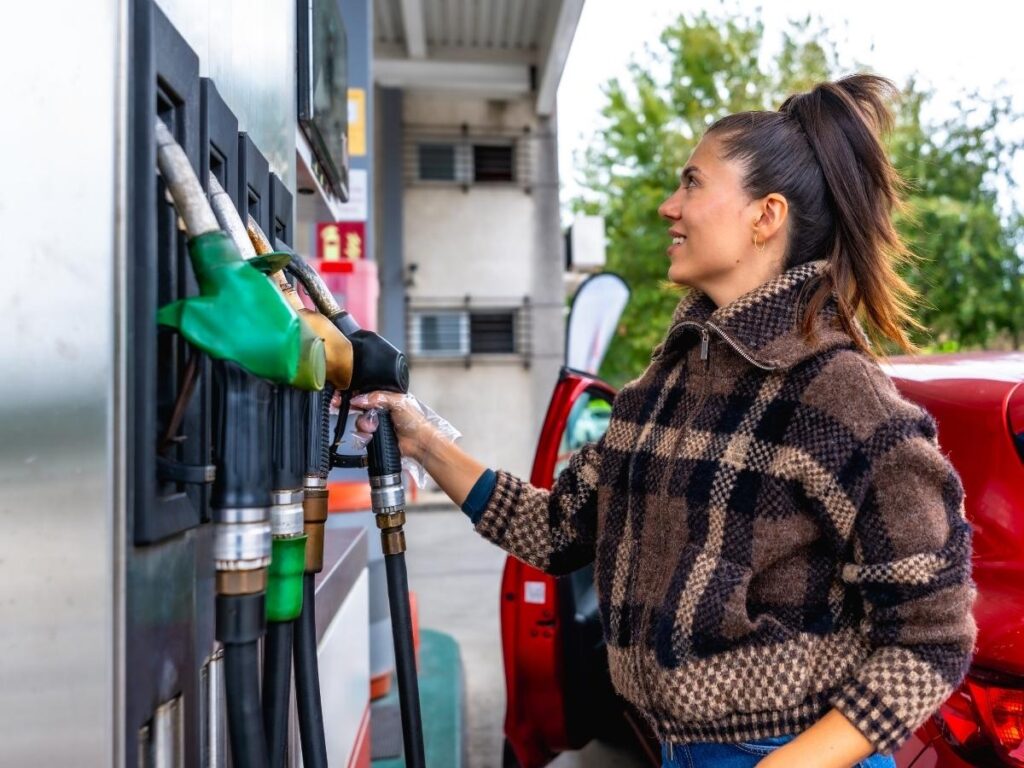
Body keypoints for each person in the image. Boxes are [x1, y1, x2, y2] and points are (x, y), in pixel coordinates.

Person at [350, 74, 977, 768]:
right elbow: (557, 527)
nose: (667, 206)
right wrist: (420, 438)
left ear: (765, 216)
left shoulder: (842, 398)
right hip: (677, 748)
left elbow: (932, 638)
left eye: (691, 183)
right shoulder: (659, 388)